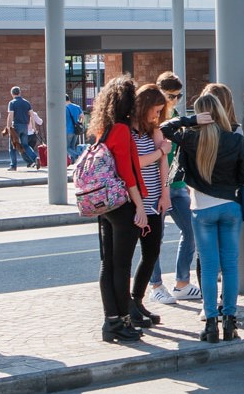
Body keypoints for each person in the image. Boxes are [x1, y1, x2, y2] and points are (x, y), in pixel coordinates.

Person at [161, 92, 244, 343]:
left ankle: (211, 325)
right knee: (231, 267)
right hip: (230, 207)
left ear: (201, 115)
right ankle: (231, 323)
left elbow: (165, 127)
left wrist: (190, 121)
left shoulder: (191, 139)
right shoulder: (234, 139)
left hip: (202, 209)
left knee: (210, 268)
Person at [86, 78, 151, 343]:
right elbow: (128, 174)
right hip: (122, 203)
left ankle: (110, 320)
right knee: (122, 266)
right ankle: (122, 320)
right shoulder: (122, 131)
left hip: (105, 205)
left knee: (108, 264)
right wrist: (140, 207)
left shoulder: (104, 128)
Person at [145, 73, 201, 304]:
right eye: (171, 96)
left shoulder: (176, 116)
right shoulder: (151, 119)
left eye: (178, 96)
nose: (175, 101)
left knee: (191, 230)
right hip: (155, 185)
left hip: (177, 184)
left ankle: (181, 283)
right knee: (154, 238)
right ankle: (156, 285)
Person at [124, 84, 172, 330]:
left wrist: (165, 193)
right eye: (155, 111)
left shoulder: (152, 130)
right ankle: (127, 307)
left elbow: (163, 163)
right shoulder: (126, 131)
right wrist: (160, 152)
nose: (157, 116)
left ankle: (137, 299)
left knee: (152, 252)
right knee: (128, 253)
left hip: (154, 199)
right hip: (133, 201)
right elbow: (134, 163)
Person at [8, 86, 33, 171]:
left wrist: (8, 127)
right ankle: (35, 158)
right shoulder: (27, 102)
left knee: (12, 147)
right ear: (20, 93)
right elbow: (31, 115)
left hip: (16, 126)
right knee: (25, 145)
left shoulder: (12, 103)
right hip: (24, 126)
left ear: (12, 94)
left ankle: (13, 166)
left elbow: (10, 115)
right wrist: (32, 126)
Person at [66, 95, 86, 161]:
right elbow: (83, 117)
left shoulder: (64, 108)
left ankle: (77, 156)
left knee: (66, 147)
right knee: (72, 146)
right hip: (76, 130)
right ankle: (73, 161)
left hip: (68, 130)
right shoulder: (77, 107)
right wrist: (80, 124)